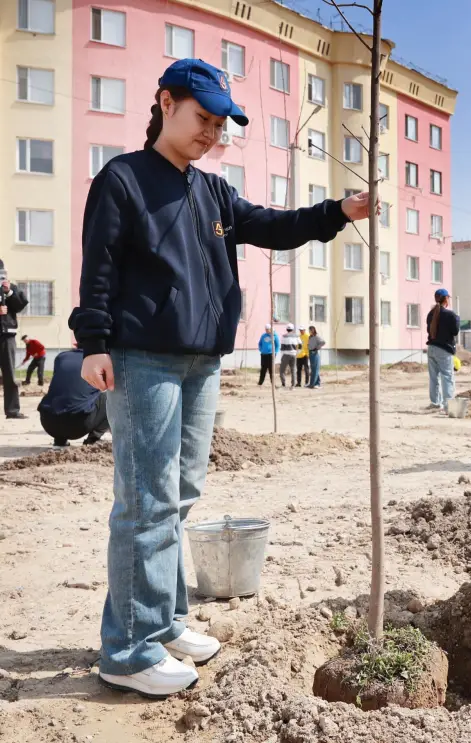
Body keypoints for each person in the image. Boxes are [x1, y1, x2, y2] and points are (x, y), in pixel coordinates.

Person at [68, 58, 372, 698]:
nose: (211, 133)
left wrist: (339, 210)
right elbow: (97, 266)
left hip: (202, 360)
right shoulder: (122, 179)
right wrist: (93, 341)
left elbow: (273, 226)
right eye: (202, 118)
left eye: (220, 124)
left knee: (178, 495)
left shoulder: (210, 192)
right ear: (166, 102)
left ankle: (167, 621)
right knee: (145, 501)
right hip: (141, 357)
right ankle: (127, 650)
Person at [38, 345, 110, 447]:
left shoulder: (61, 357)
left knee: (63, 393)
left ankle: (59, 441)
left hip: (48, 422)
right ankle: (93, 439)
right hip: (79, 425)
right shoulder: (101, 360)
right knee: (108, 396)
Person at [0, 263, 28, 419]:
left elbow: (20, 305)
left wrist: (9, 292)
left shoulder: (11, 288)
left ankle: (12, 410)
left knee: (10, 375)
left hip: (7, 336)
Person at [426, 288, 460, 410]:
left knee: (434, 377)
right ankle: (448, 406)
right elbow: (455, 332)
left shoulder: (431, 314)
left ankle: (435, 403)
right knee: (447, 377)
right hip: (444, 350)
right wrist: (457, 319)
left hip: (431, 348)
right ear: (446, 299)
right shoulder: (450, 315)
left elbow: (429, 330)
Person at [279, 323, 300, 388]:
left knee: (282, 370)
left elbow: (282, 347)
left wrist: (281, 355)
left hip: (286, 354)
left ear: (287, 329)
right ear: (292, 329)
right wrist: (297, 352)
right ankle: (293, 385)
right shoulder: (296, 336)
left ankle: (283, 384)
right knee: (293, 370)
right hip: (293, 354)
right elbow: (300, 345)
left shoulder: (284, 336)